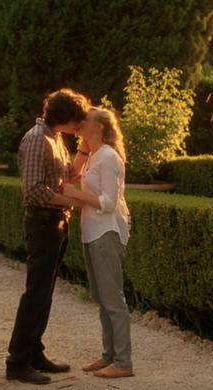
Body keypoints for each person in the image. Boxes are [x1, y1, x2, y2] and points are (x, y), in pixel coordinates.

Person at [6, 88, 91, 385]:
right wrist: (74, 201)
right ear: (63, 117)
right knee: (35, 294)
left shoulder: (56, 139)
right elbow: (33, 191)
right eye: (75, 120)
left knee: (45, 293)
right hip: (41, 224)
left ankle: (34, 353)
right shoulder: (35, 140)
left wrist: (71, 177)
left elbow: (55, 181)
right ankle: (17, 362)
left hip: (56, 223)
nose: (77, 126)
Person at [63, 107, 134, 379]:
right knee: (101, 299)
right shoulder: (93, 156)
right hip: (91, 232)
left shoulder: (109, 158)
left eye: (87, 118)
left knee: (113, 300)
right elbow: (75, 178)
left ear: (100, 127)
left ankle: (124, 363)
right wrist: (81, 152)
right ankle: (109, 357)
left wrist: (75, 196)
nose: (80, 121)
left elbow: (109, 203)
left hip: (107, 232)